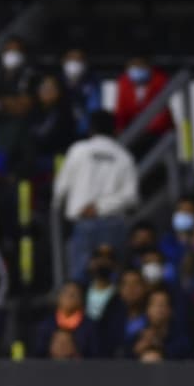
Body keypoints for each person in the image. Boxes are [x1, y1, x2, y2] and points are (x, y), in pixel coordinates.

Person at [53, 110, 138, 282]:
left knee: (79, 279)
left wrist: (62, 211)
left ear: (91, 129)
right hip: (114, 224)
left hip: (82, 224)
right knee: (113, 279)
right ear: (116, 130)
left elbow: (60, 189)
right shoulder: (124, 156)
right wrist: (100, 207)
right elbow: (131, 197)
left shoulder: (78, 150)